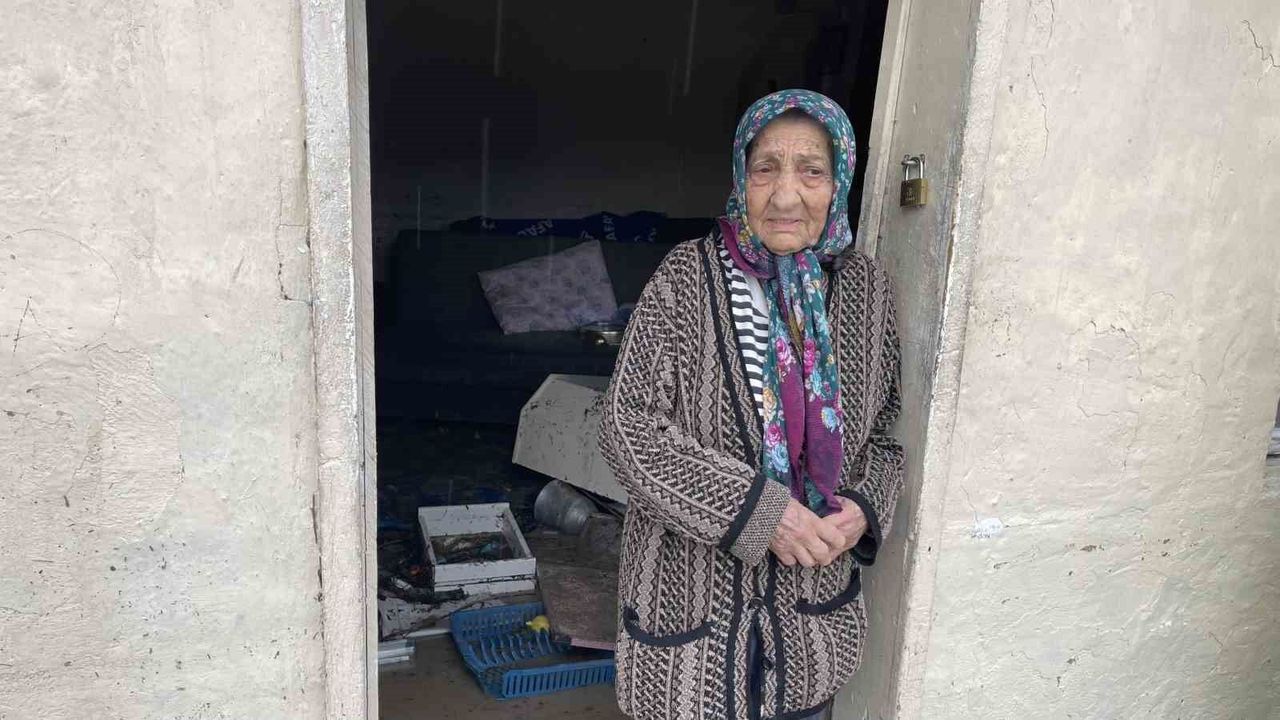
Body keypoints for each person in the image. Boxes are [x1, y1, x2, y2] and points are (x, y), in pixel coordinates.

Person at [598, 89, 905, 720]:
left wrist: (863, 507)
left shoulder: (865, 289)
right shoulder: (685, 278)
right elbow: (627, 429)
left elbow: (883, 433)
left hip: (810, 621)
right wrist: (763, 514)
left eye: (811, 171)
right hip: (689, 617)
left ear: (839, 182)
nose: (786, 196)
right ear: (742, 177)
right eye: (766, 168)